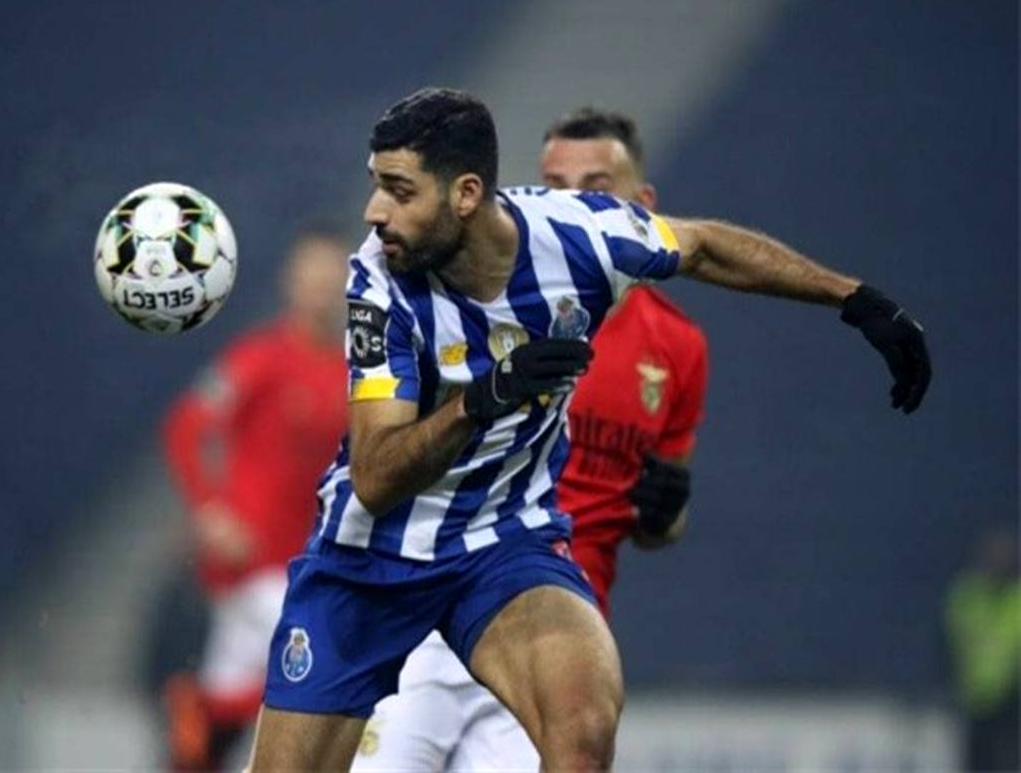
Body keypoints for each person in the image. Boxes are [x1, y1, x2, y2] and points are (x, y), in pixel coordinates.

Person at [248, 88, 931, 772]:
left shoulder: (578, 235)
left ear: (465, 194)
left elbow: (704, 247)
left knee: (584, 726)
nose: (375, 212)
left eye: (399, 191)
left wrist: (853, 299)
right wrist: (482, 400)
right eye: (377, 185)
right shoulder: (378, 284)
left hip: (501, 545)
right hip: (371, 562)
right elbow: (375, 478)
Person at [351, 107, 706, 771]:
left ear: (643, 205)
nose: (572, 202)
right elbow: (388, 448)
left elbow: (660, 524)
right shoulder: (480, 303)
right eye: (554, 184)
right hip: (436, 605)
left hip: (551, 639)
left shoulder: (679, 347)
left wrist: (667, 511)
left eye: (595, 187)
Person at [161, 233, 350, 769]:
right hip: (254, 563)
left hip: (309, 562)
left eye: (331, 275)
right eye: (311, 274)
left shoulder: (354, 373)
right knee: (318, 669)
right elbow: (187, 426)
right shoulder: (259, 358)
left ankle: (197, 712)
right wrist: (210, 510)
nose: (321, 287)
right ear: (291, 281)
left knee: (228, 707)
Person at [945, 526, 1020, 773]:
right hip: (974, 698)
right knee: (977, 762)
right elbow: (948, 644)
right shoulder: (967, 595)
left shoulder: (1016, 599)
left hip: (1012, 700)